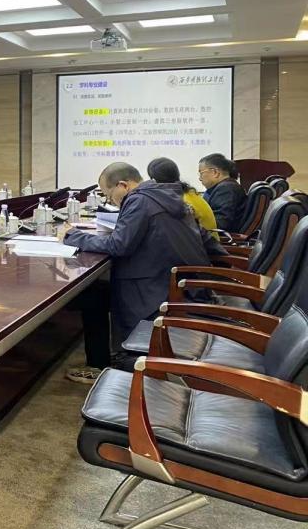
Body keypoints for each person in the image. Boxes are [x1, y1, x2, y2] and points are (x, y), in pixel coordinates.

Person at [61, 162, 223, 384]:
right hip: (182, 284)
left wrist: (73, 236)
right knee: (96, 293)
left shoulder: (139, 200)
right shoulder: (168, 196)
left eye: (109, 195)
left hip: (158, 290)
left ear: (123, 185)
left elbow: (119, 245)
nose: (111, 201)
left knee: (94, 295)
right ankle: (101, 363)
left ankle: (106, 364)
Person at [147, 157, 218, 237]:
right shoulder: (189, 193)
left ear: (154, 180)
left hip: (201, 243)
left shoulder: (177, 201)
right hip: (210, 242)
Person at [198, 152, 247, 232]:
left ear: (215, 172)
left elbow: (220, 224)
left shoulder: (226, 189)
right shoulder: (226, 187)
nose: (200, 178)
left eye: (201, 173)